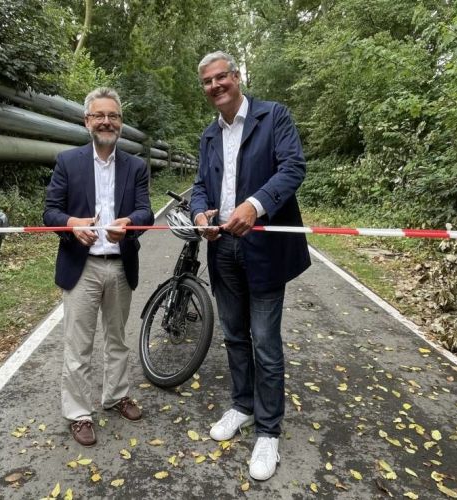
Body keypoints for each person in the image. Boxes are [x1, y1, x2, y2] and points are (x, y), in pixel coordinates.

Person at [190, 51, 311, 481]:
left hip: (263, 247)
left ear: (237, 77)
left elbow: (293, 167)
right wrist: (202, 213)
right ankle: (242, 405)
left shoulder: (273, 116)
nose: (215, 86)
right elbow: (201, 185)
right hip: (222, 248)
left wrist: (255, 206)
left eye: (221, 77)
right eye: (207, 81)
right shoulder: (208, 135)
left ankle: (268, 430)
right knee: (234, 335)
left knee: (264, 340)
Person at [43, 87, 154, 447]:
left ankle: (115, 396)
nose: (107, 121)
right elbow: (50, 213)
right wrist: (72, 224)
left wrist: (130, 223)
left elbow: (146, 212)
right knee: (78, 346)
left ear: (120, 122)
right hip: (83, 266)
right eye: (99, 115)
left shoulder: (135, 166)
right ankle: (78, 414)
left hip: (120, 265)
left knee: (117, 340)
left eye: (114, 116)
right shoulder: (67, 162)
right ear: (86, 120)